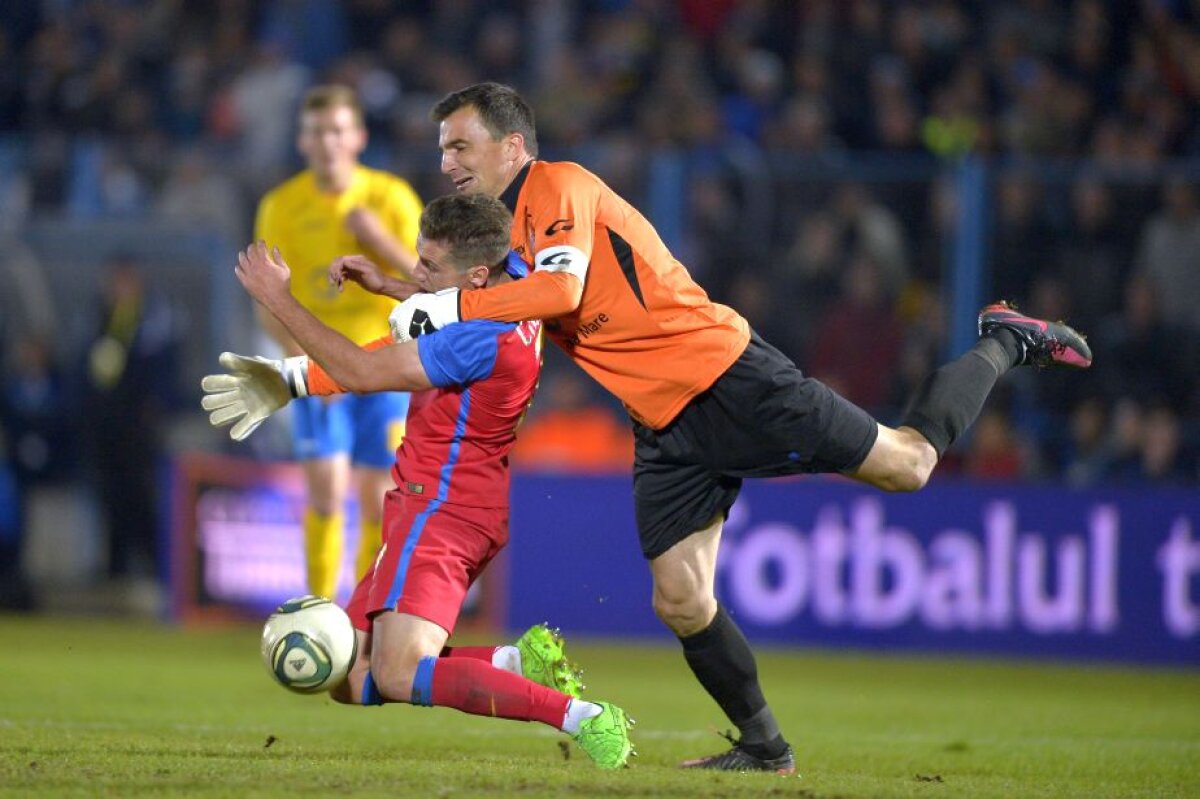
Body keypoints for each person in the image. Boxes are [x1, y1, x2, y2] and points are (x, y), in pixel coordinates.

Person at [334, 82, 1094, 774]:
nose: (449, 163)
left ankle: (1005, 337)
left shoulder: (560, 187)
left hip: (725, 375)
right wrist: (403, 288)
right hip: (663, 422)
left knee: (908, 464)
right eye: (442, 150)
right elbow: (496, 310)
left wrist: (438, 307)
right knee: (682, 599)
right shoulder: (503, 242)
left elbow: (559, 290)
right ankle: (765, 745)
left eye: (460, 146)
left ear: (513, 147)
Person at [201, 193, 634, 769]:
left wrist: (279, 302)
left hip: (441, 509)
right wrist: (389, 286)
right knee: (350, 678)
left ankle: (583, 718)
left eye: (429, 266)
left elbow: (361, 370)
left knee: (398, 672)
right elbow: (456, 304)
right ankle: (512, 664)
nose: (418, 274)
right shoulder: (520, 284)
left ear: (477, 275)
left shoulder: (478, 339)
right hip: (457, 501)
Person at [254, 84, 423, 601]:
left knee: (378, 500)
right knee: (325, 491)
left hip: (385, 368)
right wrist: (305, 363)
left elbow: (428, 281)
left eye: (337, 131)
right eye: (316, 132)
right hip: (317, 368)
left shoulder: (390, 197)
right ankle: (317, 608)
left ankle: (363, 611)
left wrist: (376, 239)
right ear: (302, 141)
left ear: (359, 137)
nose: (327, 142)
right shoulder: (282, 205)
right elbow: (267, 296)